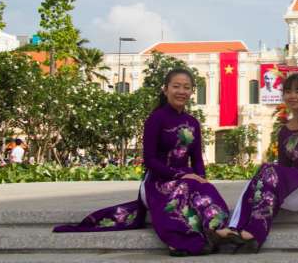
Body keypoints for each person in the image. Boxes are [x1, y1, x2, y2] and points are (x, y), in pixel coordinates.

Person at [54, 68, 229, 257]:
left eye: (186, 87)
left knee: (205, 187)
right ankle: (181, 241)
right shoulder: (156, 119)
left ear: (192, 91)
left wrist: (201, 178)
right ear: (165, 89)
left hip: (186, 179)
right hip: (157, 181)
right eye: (176, 86)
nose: (181, 91)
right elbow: (150, 160)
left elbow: (197, 159)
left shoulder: (193, 123)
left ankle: (218, 230)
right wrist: (181, 175)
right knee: (182, 191)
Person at [215, 73, 298, 253]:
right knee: (258, 178)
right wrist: (284, 177)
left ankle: (254, 232)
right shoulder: (284, 131)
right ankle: (236, 229)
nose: (292, 96)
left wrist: (295, 176)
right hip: (292, 187)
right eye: (288, 91)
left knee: (269, 172)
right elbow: (284, 167)